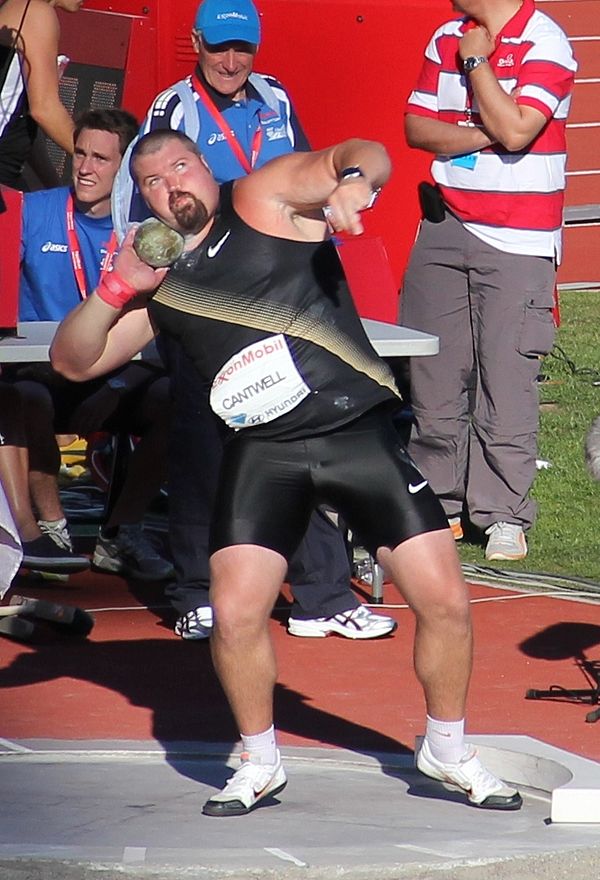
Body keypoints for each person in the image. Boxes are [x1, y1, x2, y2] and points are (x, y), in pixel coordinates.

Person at [51, 129, 523, 816]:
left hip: (352, 432)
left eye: (180, 168)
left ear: (205, 168)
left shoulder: (263, 198)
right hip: (265, 450)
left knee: (445, 600)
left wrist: (356, 181)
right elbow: (73, 361)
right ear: (142, 197)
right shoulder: (163, 282)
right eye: (153, 181)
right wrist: (118, 286)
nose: (172, 187)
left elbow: (354, 152)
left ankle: (447, 748)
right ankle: (259, 759)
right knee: (237, 614)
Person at [123, 0, 395, 640]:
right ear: (195, 43)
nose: (231, 60)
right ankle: (196, 590)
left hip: (279, 293)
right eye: (219, 47)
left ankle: (322, 595)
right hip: (206, 299)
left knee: (297, 441)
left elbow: (306, 173)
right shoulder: (172, 110)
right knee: (203, 448)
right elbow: (152, 203)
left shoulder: (274, 97)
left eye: (243, 48)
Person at [400, 0, 577, 560]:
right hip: (443, 223)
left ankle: (503, 514)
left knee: (506, 379)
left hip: (520, 238)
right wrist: (484, 133)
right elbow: (415, 126)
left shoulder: (546, 39)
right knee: (433, 375)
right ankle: (438, 504)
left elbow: (519, 130)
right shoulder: (446, 33)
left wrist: (478, 66)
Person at [1, 107, 174, 579]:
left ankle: (121, 533)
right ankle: (52, 526)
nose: (85, 167)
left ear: (126, 169)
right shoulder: (34, 210)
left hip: (118, 374)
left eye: (101, 158)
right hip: (42, 371)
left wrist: (115, 388)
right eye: (79, 153)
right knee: (22, 398)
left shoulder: (148, 230)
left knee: (175, 400)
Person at [0, 0, 84, 189]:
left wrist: (52, 187)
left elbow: (23, 124)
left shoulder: (18, 8)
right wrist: (103, 159)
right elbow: (45, 109)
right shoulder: (35, 12)